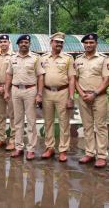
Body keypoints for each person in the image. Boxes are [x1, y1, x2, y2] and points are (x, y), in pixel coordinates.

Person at [4, 34, 44, 160]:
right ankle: (19, 147)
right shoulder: (12, 58)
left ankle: (31, 149)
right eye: (21, 42)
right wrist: (6, 91)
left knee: (31, 121)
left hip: (30, 91)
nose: (23, 44)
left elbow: (40, 76)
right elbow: (9, 75)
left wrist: (39, 94)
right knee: (17, 121)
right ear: (18, 44)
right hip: (15, 91)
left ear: (29, 44)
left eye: (26, 42)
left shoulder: (35, 58)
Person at [75, 33, 109, 168]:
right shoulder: (78, 60)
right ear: (83, 44)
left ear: (96, 43)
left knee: (100, 126)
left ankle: (101, 155)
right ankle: (89, 153)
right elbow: (75, 79)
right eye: (86, 43)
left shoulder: (103, 59)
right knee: (87, 126)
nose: (89, 45)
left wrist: (94, 94)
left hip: (99, 97)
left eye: (91, 42)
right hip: (83, 97)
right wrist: (82, 93)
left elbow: (107, 80)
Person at [40, 32, 76, 162]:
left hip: (63, 92)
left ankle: (63, 150)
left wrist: (71, 97)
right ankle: (49, 148)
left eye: (61, 43)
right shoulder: (43, 58)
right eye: (57, 42)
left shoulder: (68, 58)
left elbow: (72, 79)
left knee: (64, 122)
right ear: (51, 43)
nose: (59, 44)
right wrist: (39, 94)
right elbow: (40, 77)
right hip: (47, 93)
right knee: (48, 122)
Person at [0, 34, 15, 151]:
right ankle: (1, 138)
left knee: (13, 116)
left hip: (10, 89)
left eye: (5, 41)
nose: (3, 43)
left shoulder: (14, 57)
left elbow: (16, 73)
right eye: (1, 42)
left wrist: (6, 87)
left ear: (9, 43)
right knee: (0, 115)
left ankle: (13, 141)